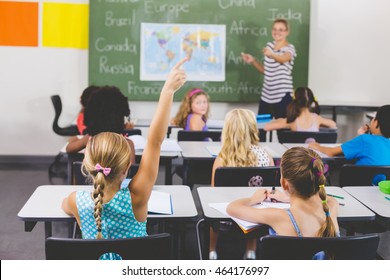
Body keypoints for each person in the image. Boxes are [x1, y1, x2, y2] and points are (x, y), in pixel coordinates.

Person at [61, 58, 188, 259]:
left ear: (87, 164)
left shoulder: (76, 201)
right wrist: (167, 91)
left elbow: (65, 206)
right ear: (128, 165)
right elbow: (155, 141)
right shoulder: (136, 198)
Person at [227, 147, 340, 254]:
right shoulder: (331, 206)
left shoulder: (279, 216)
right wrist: (288, 198)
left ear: (284, 184)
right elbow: (327, 197)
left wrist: (253, 199)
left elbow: (232, 208)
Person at [209, 109, 275, 260]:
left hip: (225, 215)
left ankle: (211, 251)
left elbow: (213, 192)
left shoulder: (221, 159)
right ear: (253, 128)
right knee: (255, 202)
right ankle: (251, 251)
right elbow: (270, 190)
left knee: (211, 208)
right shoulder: (265, 155)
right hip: (256, 216)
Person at [241, 19, 296, 119]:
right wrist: (253, 61)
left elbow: (284, 59)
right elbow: (267, 71)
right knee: (260, 129)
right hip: (267, 95)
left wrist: (272, 54)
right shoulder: (269, 46)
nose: (277, 32)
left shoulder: (289, 48)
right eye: (274, 29)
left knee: (282, 131)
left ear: (287, 32)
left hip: (283, 96)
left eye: (281, 30)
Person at [66, 86, 136, 164]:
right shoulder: (127, 144)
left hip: (90, 176)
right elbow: (130, 171)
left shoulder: (90, 139)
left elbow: (69, 148)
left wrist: (74, 139)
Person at [308, 105, 390, 165]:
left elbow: (331, 152)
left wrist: (317, 146)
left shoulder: (364, 140)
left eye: (374, 118)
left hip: (359, 185)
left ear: (377, 123)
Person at [264, 87, 337, 131]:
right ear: (311, 101)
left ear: (295, 101)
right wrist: (320, 125)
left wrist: (280, 120)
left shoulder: (291, 120)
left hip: (297, 156)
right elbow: (333, 124)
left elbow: (266, 127)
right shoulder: (317, 119)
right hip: (312, 157)